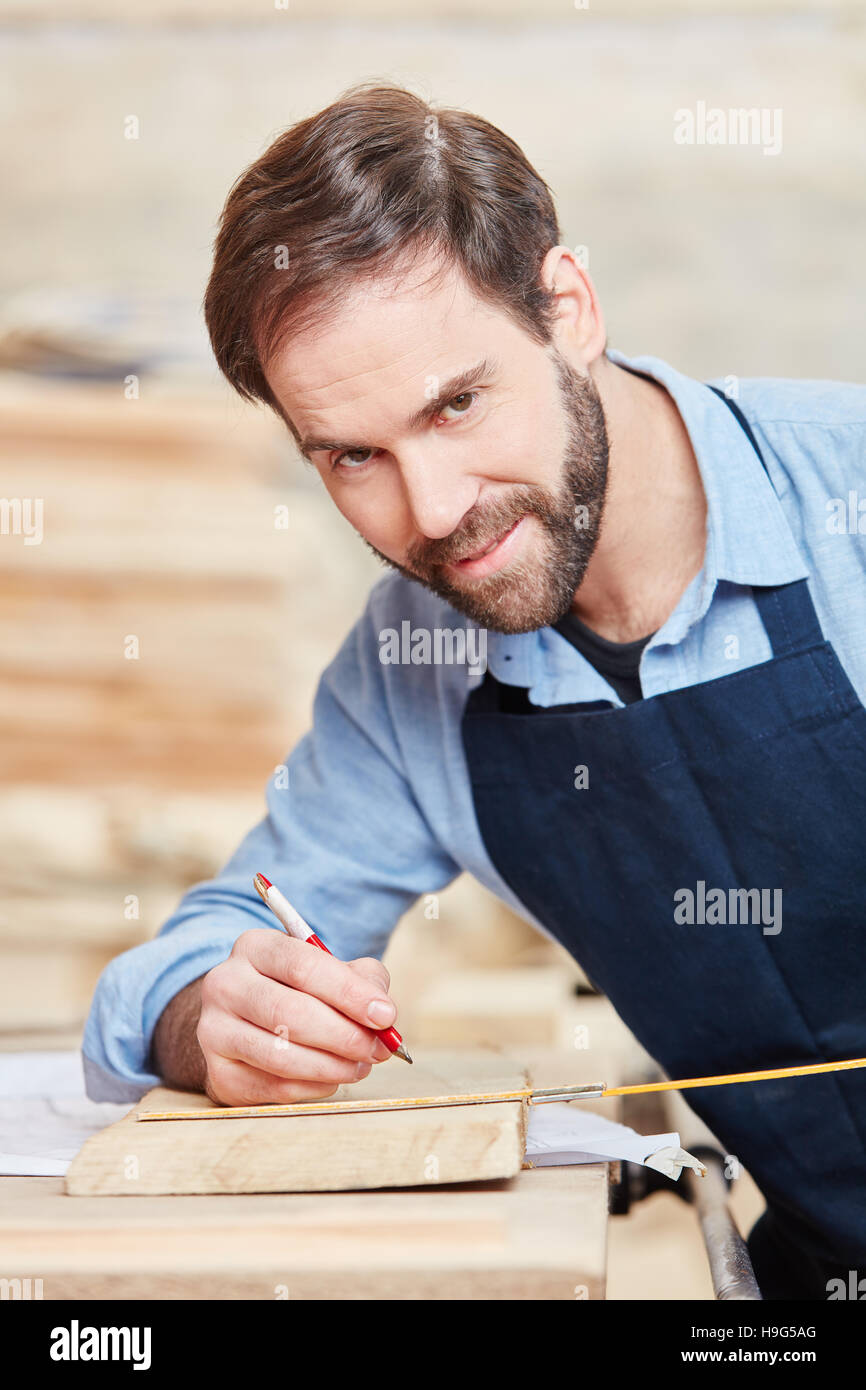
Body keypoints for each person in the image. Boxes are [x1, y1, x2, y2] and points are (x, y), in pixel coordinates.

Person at [83, 84, 866, 1300]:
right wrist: (211, 1016)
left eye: (457, 403)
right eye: (354, 456)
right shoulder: (408, 675)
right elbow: (199, 948)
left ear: (567, 310)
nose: (435, 509)